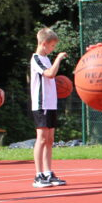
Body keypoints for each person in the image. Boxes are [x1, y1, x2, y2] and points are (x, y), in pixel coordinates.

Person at [30, 27, 68, 188]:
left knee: (50, 139)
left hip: (51, 103)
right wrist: (58, 59)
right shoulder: (36, 58)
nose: (53, 49)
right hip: (41, 104)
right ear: (44, 43)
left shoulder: (46, 58)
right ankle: (38, 175)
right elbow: (50, 74)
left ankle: (47, 172)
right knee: (42, 138)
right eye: (52, 46)